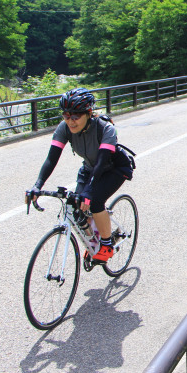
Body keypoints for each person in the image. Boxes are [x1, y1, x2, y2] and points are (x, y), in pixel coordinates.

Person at [26, 88, 132, 263]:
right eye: (66, 116)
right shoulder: (64, 128)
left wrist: (90, 192)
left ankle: (106, 245)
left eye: (76, 116)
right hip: (90, 169)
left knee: (95, 201)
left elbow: (101, 162)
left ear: (89, 113)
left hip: (114, 168)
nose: (71, 121)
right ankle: (94, 241)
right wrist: (38, 185)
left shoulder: (105, 129)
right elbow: (51, 159)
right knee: (78, 207)